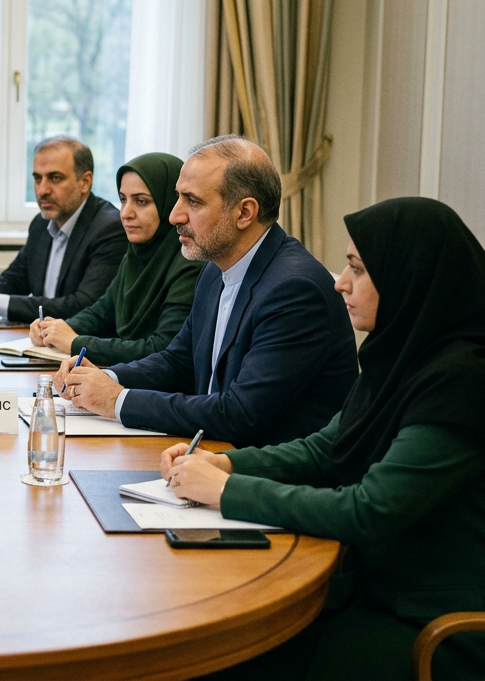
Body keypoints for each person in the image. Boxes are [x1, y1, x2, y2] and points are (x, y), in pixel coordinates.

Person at [163, 197, 485, 680]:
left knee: (227, 656)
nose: (339, 282)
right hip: (374, 587)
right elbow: (325, 446)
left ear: (408, 276)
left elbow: (368, 510)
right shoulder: (400, 355)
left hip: (431, 621)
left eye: (357, 267)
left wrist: (228, 492)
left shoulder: (462, 381)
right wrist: (228, 465)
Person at [59, 135, 358, 447]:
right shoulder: (216, 269)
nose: (175, 215)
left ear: (244, 213)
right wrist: (108, 378)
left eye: (194, 201)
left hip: (272, 477)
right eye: (178, 198)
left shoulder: (294, 290)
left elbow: (239, 414)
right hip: (211, 455)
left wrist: (118, 401)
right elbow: (178, 361)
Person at [29, 152, 203, 366]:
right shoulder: (136, 254)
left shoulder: (190, 262)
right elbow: (101, 312)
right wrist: (53, 330)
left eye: (141, 201)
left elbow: (161, 348)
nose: (126, 213)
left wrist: (75, 342)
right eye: (123, 199)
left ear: (170, 203)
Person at [0, 135, 126, 322]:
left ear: (85, 182)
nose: (42, 190)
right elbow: (16, 277)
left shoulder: (110, 228)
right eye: (37, 178)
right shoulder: (41, 224)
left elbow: (84, 305)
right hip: (38, 340)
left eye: (55, 178)